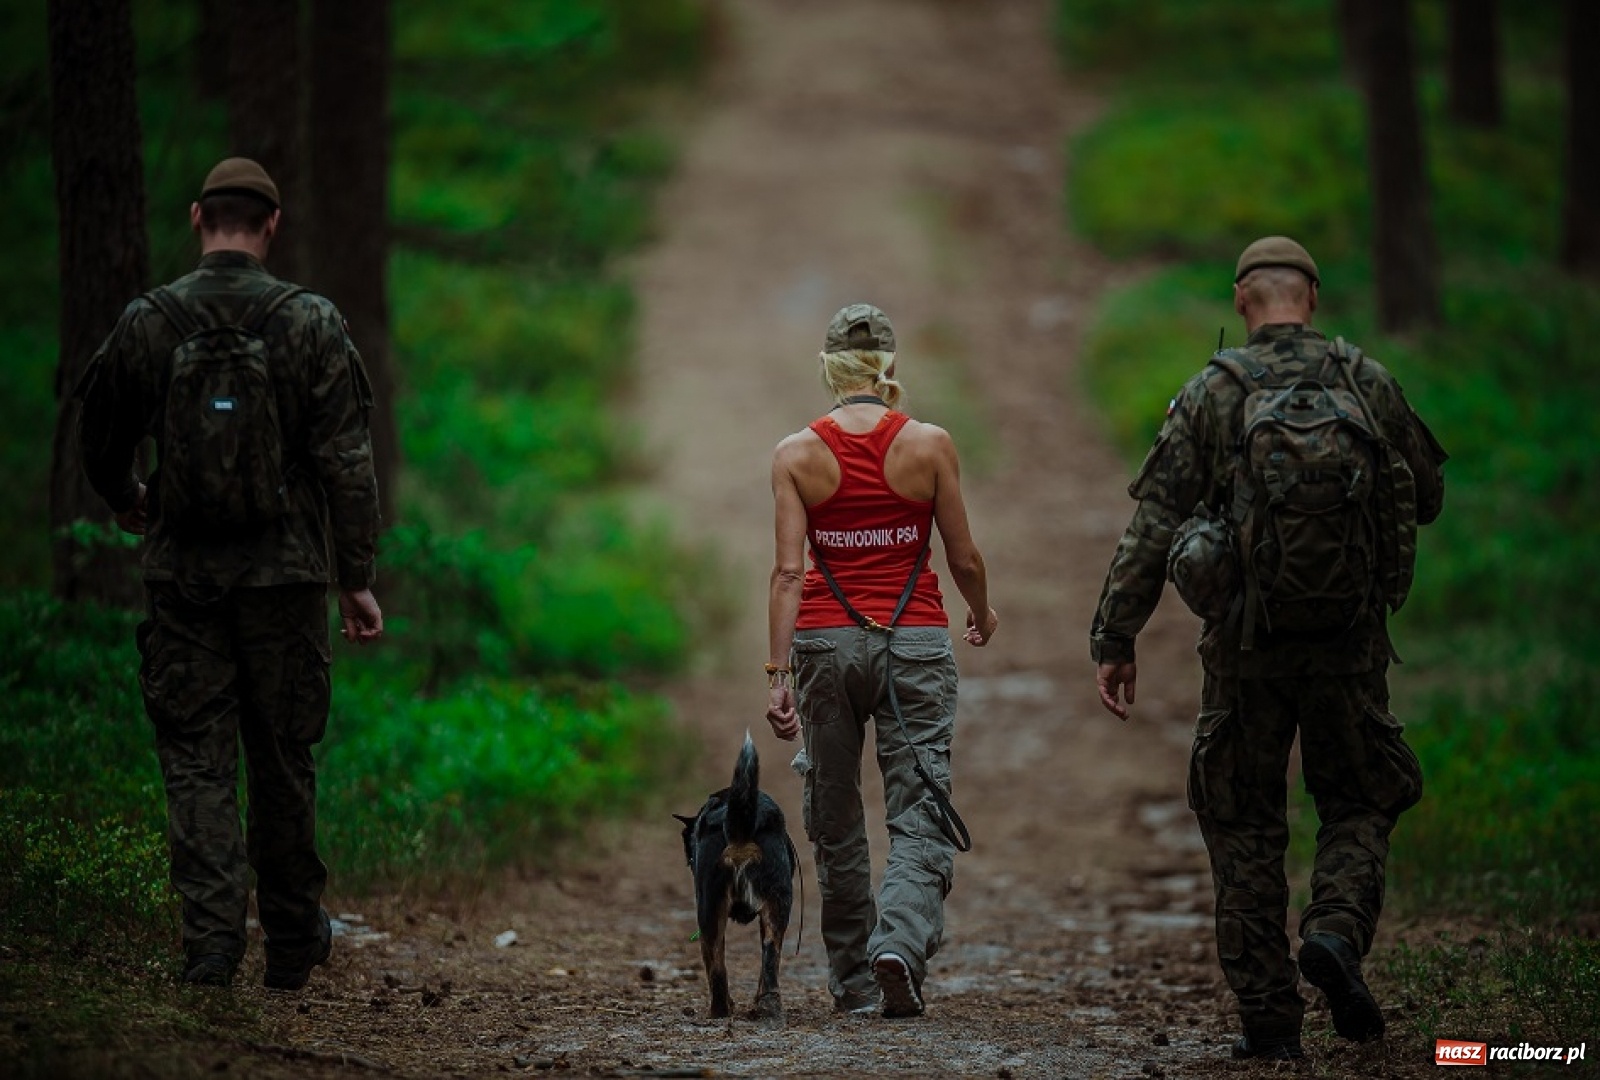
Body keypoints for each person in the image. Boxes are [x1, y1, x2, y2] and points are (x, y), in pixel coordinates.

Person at [1089, 237, 1447, 1060]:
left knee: (1243, 820)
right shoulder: (1367, 380)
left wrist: (1116, 635)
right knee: (1359, 799)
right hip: (1350, 648)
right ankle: (1334, 932)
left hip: (1245, 652)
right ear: (1311, 299)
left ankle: (1270, 1022)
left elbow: (1153, 526)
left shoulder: (1215, 392)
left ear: (1244, 301)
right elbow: (1425, 497)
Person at [76, 158, 383, 991]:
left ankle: (211, 949)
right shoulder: (310, 321)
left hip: (184, 583)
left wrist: (125, 495)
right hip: (286, 583)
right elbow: (348, 463)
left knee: (197, 762)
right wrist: (355, 577)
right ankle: (290, 940)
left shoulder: (150, 320)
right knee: (282, 759)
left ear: (197, 218)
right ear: (271, 226)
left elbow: (98, 430)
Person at [765, 303, 998, 1019]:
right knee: (921, 806)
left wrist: (778, 676)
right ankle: (898, 943)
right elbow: (961, 555)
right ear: (889, 368)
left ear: (830, 370)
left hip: (826, 647)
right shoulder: (929, 445)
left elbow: (787, 574)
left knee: (834, 815)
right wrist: (981, 610)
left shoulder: (795, 455)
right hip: (916, 644)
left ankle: (854, 980)